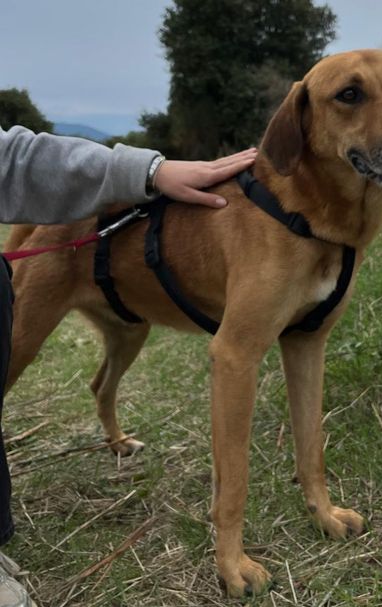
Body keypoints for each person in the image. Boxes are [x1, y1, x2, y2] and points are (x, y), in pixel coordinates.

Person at [0, 124, 257, 606]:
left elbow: (15, 158)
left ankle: (109, 423)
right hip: (66, 260)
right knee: (11, 356)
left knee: (130, 332)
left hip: (115, 267)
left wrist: (149, 170)